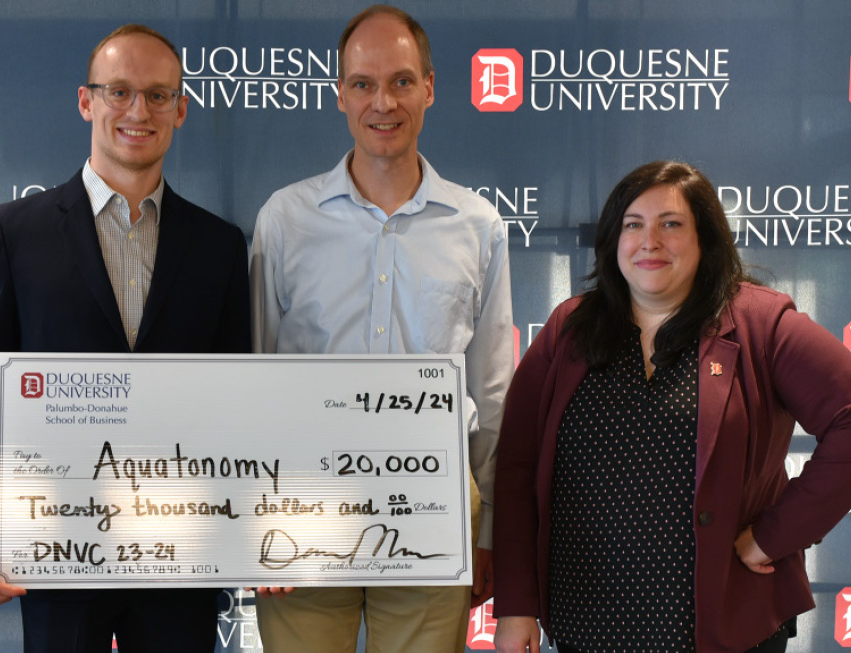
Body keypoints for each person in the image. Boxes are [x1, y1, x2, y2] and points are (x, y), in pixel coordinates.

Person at [0, 23, 251, 653]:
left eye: (158, 95)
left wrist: (249, 527)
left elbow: (236, 405)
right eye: (119, 91)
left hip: (181, 552)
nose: (138, 110)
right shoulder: (14, 232)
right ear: (87, 102)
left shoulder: (220, 247)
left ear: (181, 108)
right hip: (56, 548)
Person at [493, 160, 851, 653]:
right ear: (613, 241)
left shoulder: (761, 324)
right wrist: (515, 607)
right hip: (587, 624)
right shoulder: (568, 329)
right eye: (633, 225)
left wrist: (775, 535)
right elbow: (516, 468)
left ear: (706, 238)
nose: (649, 241)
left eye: (672, 224)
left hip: (726, 629)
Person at [248, 5, 513, 651]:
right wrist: (254, 520)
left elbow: (494, 390)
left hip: (435, 508)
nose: (382, 101)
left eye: (400, 81)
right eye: (363, 84)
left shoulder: (478, 225)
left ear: (428, 87)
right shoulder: (285, 218)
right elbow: (252, 378)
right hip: (302, 512)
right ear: (339, 94)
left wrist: (488, 533)